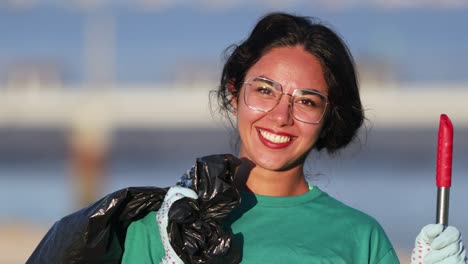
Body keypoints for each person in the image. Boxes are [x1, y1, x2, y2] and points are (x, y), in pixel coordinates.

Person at [28, 12, 467, 264]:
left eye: (307, 101)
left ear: (328, 116)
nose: (281, 116)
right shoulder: (161, 227)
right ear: (234, 91)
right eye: (264, 90)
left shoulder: (361, 237)